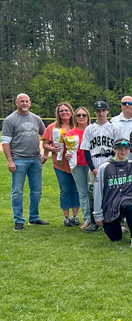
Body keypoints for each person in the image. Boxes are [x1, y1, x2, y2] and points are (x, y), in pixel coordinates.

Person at [92, 139, 132, 246]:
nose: (123, 152)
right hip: (110, 204)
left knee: (128, 205)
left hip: (126, 200)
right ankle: (119, 222)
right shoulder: (104, 167)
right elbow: (97, 191)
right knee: (115, 237)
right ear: (114, 150)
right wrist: (98, 214)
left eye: (126, 149)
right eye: (120, 149)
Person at [2, 93, 48, 230]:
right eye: (22, 101)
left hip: (35, 159)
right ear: (16, 103)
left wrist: (45, 153)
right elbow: (5, 142)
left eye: (27, 101)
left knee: (37, 190)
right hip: (18, 159)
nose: (24, 104)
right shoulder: (10, 120)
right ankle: (18, 220)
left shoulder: (36, 118)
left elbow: (45, 136)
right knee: (17, 191)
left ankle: (34, 217)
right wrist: (10, 160)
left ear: (30, 102)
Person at [81, 101, 120, 232]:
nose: (101, 113)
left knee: (113, 192)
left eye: (103, 110)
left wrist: (114, 165)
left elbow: (119, 149)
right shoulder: (89, 128)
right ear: (94, 112)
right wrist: (92, 168)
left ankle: (114, 220)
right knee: (92, 193)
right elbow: (86, 150)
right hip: (95, 161)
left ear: (108, 111)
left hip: (109, 161)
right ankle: (94, 222)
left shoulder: (113, 128)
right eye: (98, 111)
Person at [42, 102, 80, 227]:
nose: (64, 113)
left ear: (71, 112)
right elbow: (45, 143)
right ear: (58, 114)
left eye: (66, 110)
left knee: (76, 190)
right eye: (61, 111)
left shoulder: (77, 126)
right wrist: (52, 149)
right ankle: (66, 217)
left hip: (76, 163)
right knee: (65, 190)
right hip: (60, 164)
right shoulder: (52, 127)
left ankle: (75, 216)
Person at [66, 107, 92, 230]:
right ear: (75, 117)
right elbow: (67, 150)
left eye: (84, 115)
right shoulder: (70, 133)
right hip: (77, 165)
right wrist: (67, 155)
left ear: (88, 117)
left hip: (91, 164)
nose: (81, 117)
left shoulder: (92, 130)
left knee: (94, 192)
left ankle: (98, 218)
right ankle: (87, 219)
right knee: (82, 193)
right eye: (78, 115)